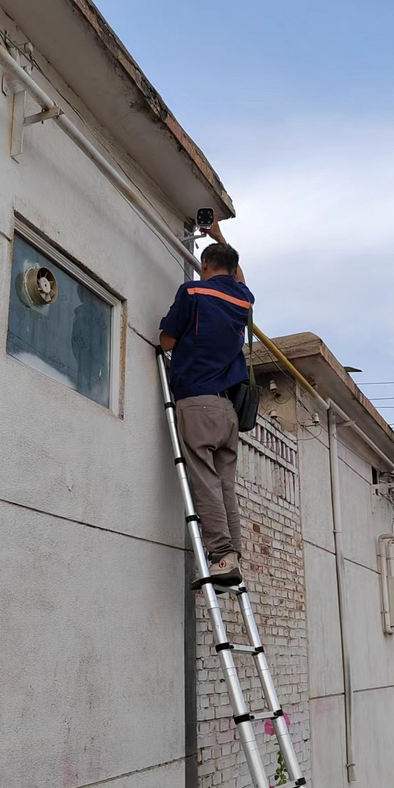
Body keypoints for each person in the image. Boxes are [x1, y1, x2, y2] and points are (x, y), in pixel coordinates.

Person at [159, 217, 254, 586]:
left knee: (205, 482)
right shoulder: (241, 299)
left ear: (204, 267)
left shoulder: (193, 293)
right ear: (231, 269)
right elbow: (239, 280)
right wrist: (219, 237)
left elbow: (166, 341)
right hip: (228, 411)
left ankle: (222, 558)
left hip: (197, 403)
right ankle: (233, 552)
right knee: (225, 484)